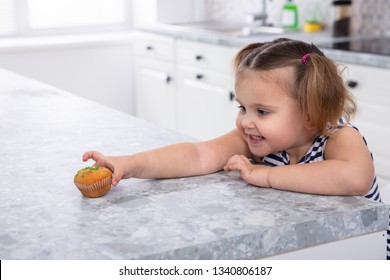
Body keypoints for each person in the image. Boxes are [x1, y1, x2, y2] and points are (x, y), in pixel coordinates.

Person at [82, 38, 388, 259]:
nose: (246, 122)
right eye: (243, 107)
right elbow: (198, 155)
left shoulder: (338, 137)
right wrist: (131, 164)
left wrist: (264, 175)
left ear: (310, 113)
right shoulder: (258, 140)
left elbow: (353, 178)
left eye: (262, 112)